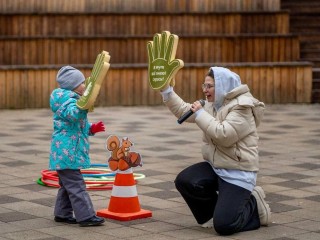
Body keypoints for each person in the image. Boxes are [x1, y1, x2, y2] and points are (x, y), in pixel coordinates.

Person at [160, 66, 271, 235]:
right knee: (185, 180)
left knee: (225, 226)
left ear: (222, 86)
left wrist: (200, 114)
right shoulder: (214, 104)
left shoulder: (243, 107)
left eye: (209, 86)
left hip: (238, 172)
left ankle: (253, 204)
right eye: (204, 86)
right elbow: (184, 110)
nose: (205, 90)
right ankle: (216, 212)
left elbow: (224, 134)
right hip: (216, 166)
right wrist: (166, 90)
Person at [49, 66, 106, 227]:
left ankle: (62, 213)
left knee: (67, 185)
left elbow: (77, 125)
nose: (84, 85)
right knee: (77, 185)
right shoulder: (67, 101)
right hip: (68, 153)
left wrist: (91, 128)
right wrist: (84, 106)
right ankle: (86, 216)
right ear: (72, 85)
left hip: (65, 153)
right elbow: (74, 115)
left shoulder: (70, 99)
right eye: (81, 83)